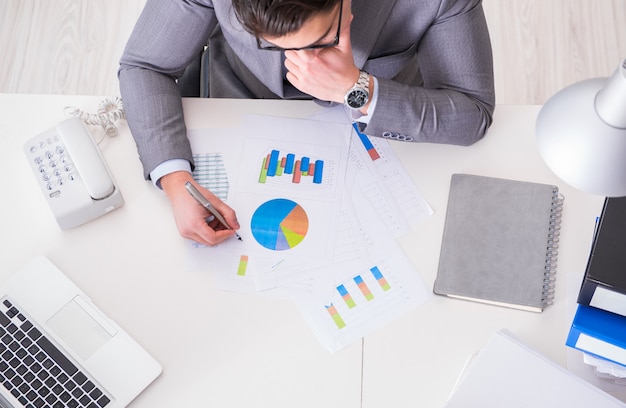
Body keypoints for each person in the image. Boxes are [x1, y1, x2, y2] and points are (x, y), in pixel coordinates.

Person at [119, 0, 495, 246]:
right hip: (240, 105)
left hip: (383, 130)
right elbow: (144, 65)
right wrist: (173, 177)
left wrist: (357, 88)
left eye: (320, 41)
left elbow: (473, 112)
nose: (301, 65)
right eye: (273, 44)